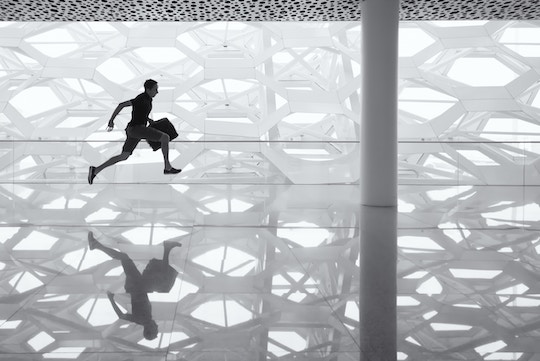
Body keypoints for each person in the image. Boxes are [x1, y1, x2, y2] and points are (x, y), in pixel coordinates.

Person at [87, 231, 182, 340]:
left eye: (155, 329)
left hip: (136, 285)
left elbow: (121, 316)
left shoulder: (142, 319)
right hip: (139, 286)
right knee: (164, 286)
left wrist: (111, 299)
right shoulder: (142, 320)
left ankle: (96, 245)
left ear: (150, 329)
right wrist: (111, 299)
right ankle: (167, 249)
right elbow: (121, 316)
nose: (156, 326)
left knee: (163, 284)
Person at [88, 79, 181, 184]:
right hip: (136, 129)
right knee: (165, 137)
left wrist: (148, 120)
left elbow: (140, 113)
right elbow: (121, 105)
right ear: (148, 89)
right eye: (155, 89)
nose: (157, 92)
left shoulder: (148, 99)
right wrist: (111, 120)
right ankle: (167, 167)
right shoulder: (141, 98)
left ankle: (95, 170)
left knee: (124, 156)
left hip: (134, 130)